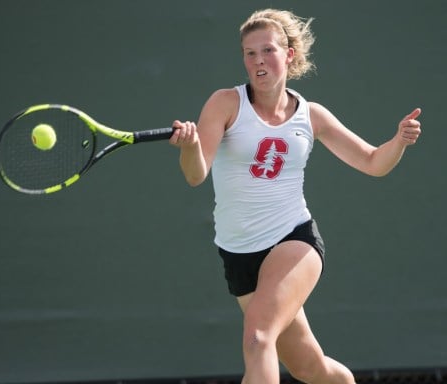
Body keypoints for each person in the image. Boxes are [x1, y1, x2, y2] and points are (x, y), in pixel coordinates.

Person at [169, 8, 422, 384]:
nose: (258, 60)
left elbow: (373, 162)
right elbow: (196, 174)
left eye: (267, 50)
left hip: (293, 241)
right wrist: (189, 147)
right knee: (309, 368)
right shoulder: (224, 103)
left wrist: (398, 142)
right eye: (249, 53)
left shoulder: (312, 115)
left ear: (289, 54)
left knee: (257, 340)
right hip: (239, 255)